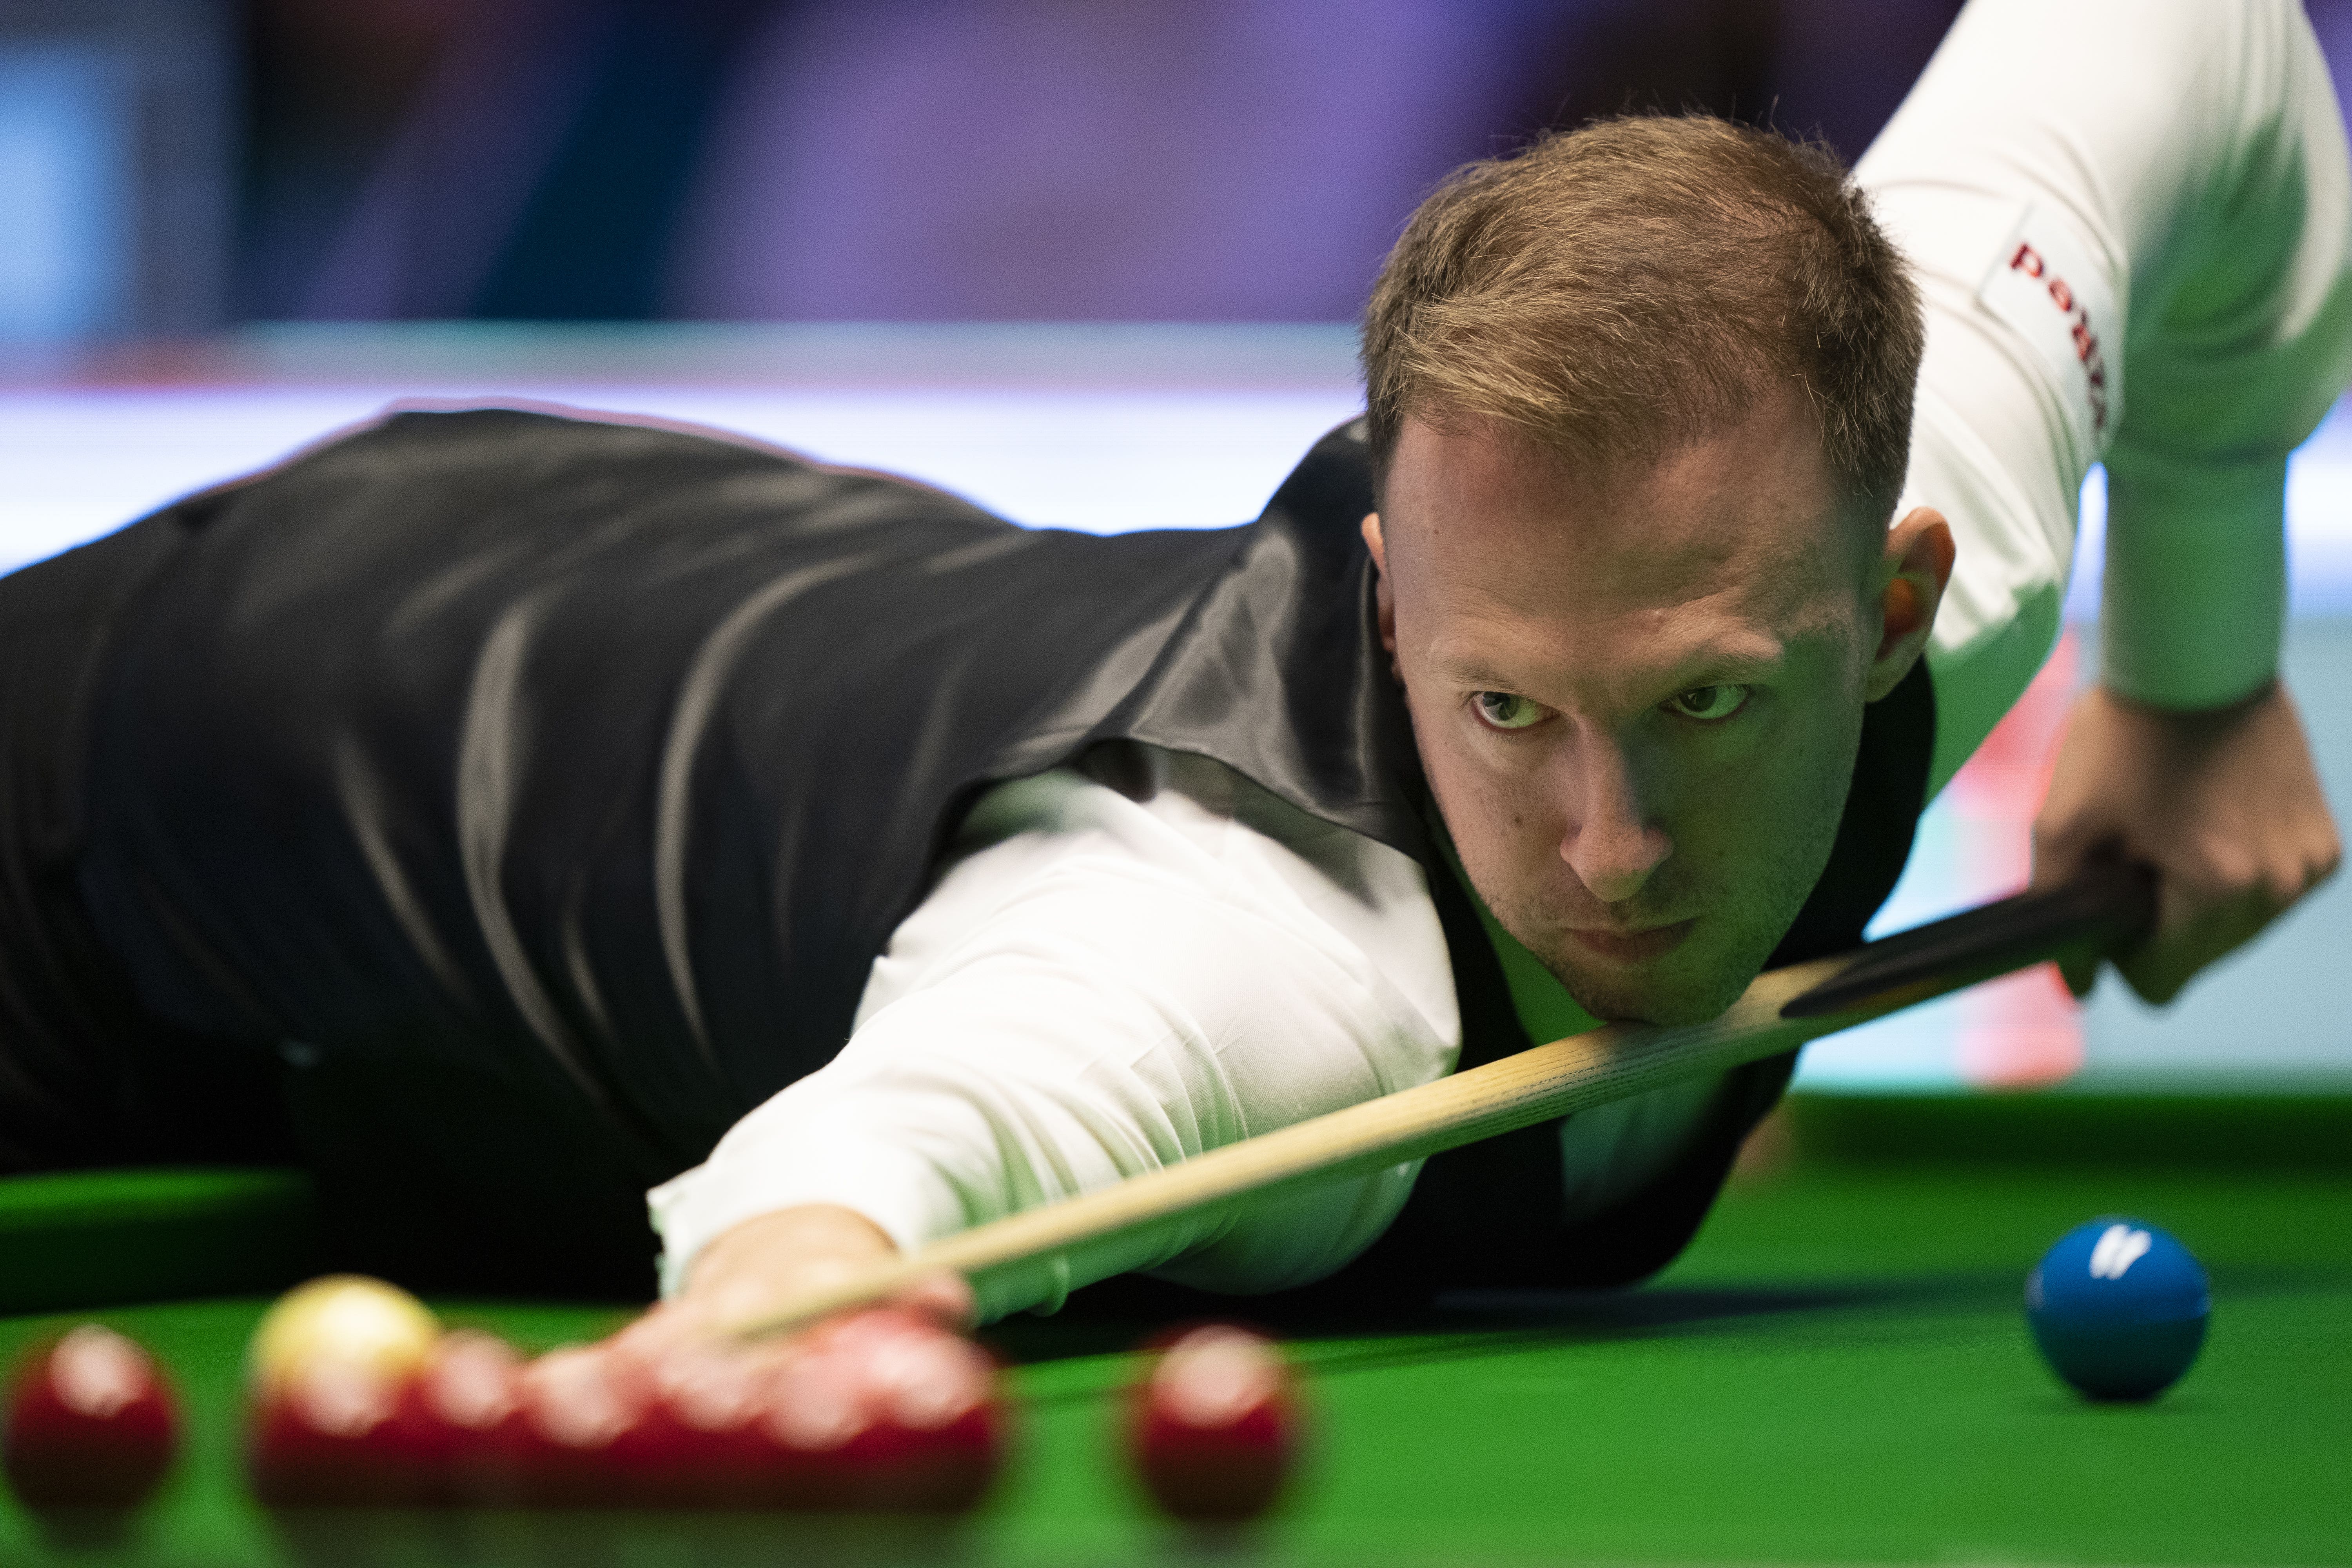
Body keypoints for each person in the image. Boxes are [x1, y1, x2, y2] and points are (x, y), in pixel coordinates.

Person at [0, 0, 2339, 1383]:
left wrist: (2204, 655)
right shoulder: (1231, 947)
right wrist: (785, 1323)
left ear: (1900, 593)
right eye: (1508, 712)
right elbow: (868, 1173)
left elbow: (2183, 42)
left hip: (659, 591)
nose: (1612, 847)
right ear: (1390, 596)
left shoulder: (1932, 462)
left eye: (1711, 709)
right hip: (214, 734)